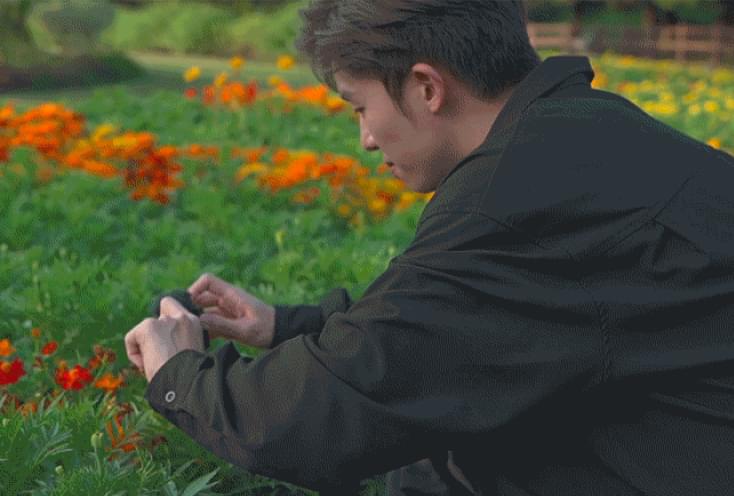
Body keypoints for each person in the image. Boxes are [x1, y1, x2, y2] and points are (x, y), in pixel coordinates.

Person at [124, 0, 734, 494]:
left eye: (361, 107)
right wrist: (286, 326)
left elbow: (318, 419)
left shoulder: (513, 200)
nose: (364, 139)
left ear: (425, 87)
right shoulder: (583, 130)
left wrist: (179, 372)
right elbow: (455, 333)